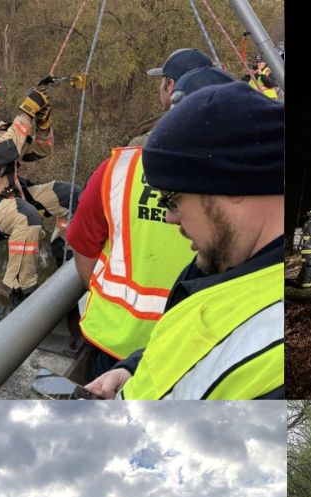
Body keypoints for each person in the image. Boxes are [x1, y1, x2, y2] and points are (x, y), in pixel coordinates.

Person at [84, 82, 284, 400]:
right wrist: (133, 370)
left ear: (231, 186)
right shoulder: (228, 262)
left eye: (173, 201)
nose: (169, 218)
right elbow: (189, 353)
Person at [66, 65, 235, 382]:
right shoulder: (244, 184)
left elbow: (83, 247)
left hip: (118, 343)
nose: (172, 216)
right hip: (196, 349)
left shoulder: (119, 168)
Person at [0, 69, 80, 308]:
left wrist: (43, 123)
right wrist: (26, 112)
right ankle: (21, 292)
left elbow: (39, 150)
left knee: (70, 196)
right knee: (25, 217)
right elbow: (5, 152)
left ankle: (67, 254)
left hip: (10, 196)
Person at [128, 48, 213, 147]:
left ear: (170, 85)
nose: (160, 88)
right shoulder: (223, 131)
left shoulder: (146, 142)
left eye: (163, 80)